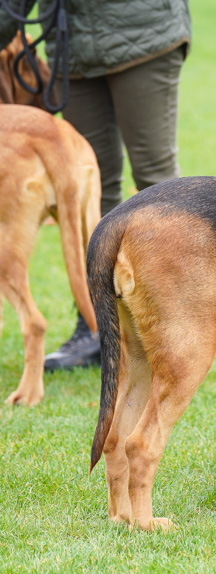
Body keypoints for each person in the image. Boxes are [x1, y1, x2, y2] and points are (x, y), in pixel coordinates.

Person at [0, 0, 191, 369]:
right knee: (90, 193)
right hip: (73, 51)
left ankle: (176, 327)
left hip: (142, 36)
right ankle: (97, 329)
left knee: (157, 181)